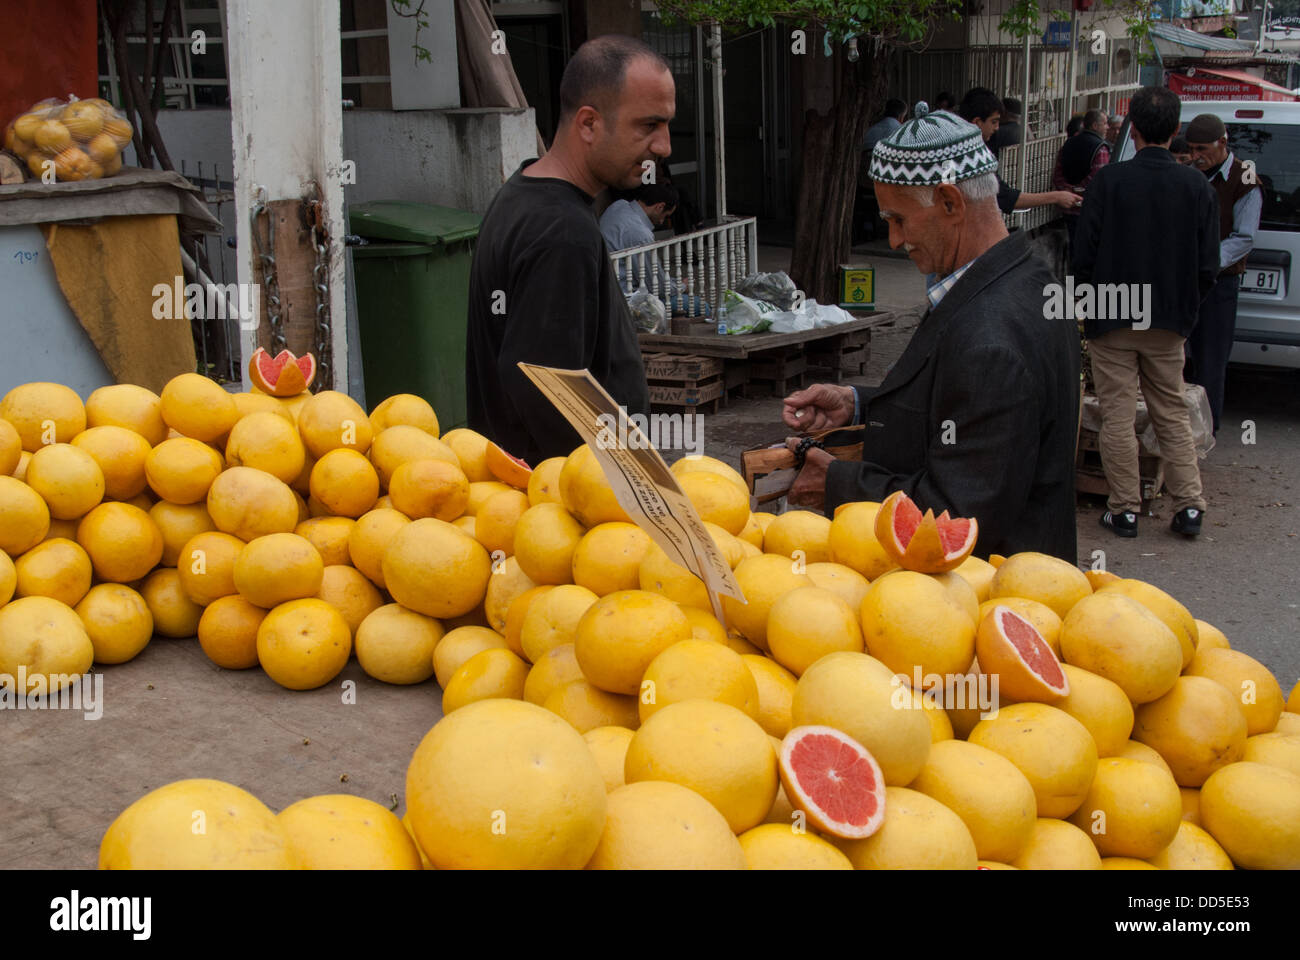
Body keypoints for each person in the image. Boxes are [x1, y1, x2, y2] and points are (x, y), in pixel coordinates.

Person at [781, 104, 1081, 562]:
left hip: (992, 588)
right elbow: (965, 407)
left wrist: (839, 481)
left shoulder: (991, 337)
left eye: (898, 220)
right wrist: (858, 402)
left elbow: (958, 512)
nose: (896, 241)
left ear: (949, 202)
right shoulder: (1025, 278)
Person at [465, 36, 667, 464]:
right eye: (648, 125)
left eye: (666, 125)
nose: (664, 147)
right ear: (589, 123)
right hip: (559, 503)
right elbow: (546, 392)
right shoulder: (563, 231)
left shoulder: (522, 192)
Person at [1072, 86, 1219, 539]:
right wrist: (1185, 310)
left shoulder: (1108, 182)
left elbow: (1084, 256)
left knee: (1116, 415)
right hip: (1169, 319)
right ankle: (1189, 507)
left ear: (1131, 129)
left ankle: (1124, 510)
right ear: (1175, 131)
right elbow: (1208, 265)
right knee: (1170, 411)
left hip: (1112, 315)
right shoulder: (1196, 186)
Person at [1184, 113, 1262, 435]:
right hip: (1186, 282)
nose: (1195, 156)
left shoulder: (1245, 180)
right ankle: (1181, 431)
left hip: (1219, 284)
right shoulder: (1188, 174)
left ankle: (1207, 433)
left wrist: (1206, 262)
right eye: (1191, 149)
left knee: (1212, 362)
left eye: (1202, 149)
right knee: (1181, 359)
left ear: (1223, 143)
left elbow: (1244, 238)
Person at [958, 88, 1080, 217]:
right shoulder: (972, 157)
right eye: (994, 122)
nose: (997, 128)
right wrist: (1056, 197)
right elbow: (1004, 196)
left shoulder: (958, 149)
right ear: (977, 122)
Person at [600, 182, 709, 317]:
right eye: (666, 215)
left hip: (608, 286)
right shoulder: (639, 233)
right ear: (660, 207)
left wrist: (675, 283)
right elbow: (657, 287)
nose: (662, 221)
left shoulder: (618, 206)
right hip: (627, 298)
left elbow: (652, 276)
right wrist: (682, 287)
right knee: (702, 306)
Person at [1052, 108, 1111, 248]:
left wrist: (1067, 191)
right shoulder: (1100, 148)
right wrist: (1078, 192)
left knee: (1074, 245)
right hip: (1088, 208)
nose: (1107, 127)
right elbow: (1097, 179)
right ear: (1095, 126)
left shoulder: (1068, 143)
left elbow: (1058, 174)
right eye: (1105, 123)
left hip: (1067, 207)